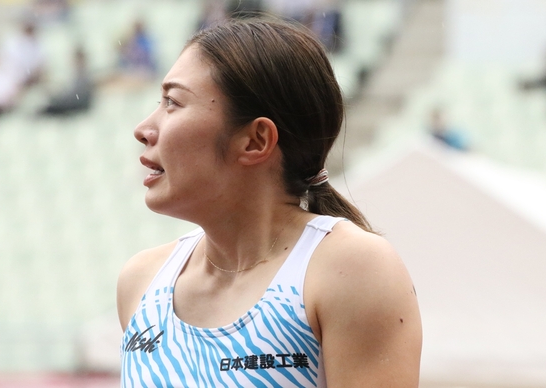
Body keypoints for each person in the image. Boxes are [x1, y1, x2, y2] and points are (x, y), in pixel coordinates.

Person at [117, 18, 422, 387]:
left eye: (173, 102)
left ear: (256, 140)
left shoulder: (349, 269)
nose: (144, 129)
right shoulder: (141, 281)